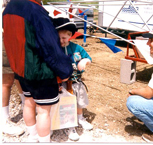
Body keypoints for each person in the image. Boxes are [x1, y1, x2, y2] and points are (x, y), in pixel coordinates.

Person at [3, 0, 73, 142]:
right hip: (40, 72)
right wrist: (65, 71)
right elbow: (50, 46)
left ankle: (33, 136)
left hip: (21, 69)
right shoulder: (35, 10)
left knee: (28, 103)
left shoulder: (8, 9)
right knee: (43, 112)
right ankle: (43, 141)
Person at [52, 17, 93, 141]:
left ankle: (80, 118)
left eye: (64, 38)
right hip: (62, 84)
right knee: (66, 104)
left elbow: (88, 58)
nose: (61, 41)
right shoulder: (54, 49)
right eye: (58, 38)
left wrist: (85, 61)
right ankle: (69, 125)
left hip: (76, 82)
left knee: (79, 101)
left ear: (70, 36)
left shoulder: (76, 48)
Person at [2, 0, 25, 137]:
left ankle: (25, 105)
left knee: (19, 74)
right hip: (6, 36)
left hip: (16, 37)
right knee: (6, 80)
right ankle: (3, 119)